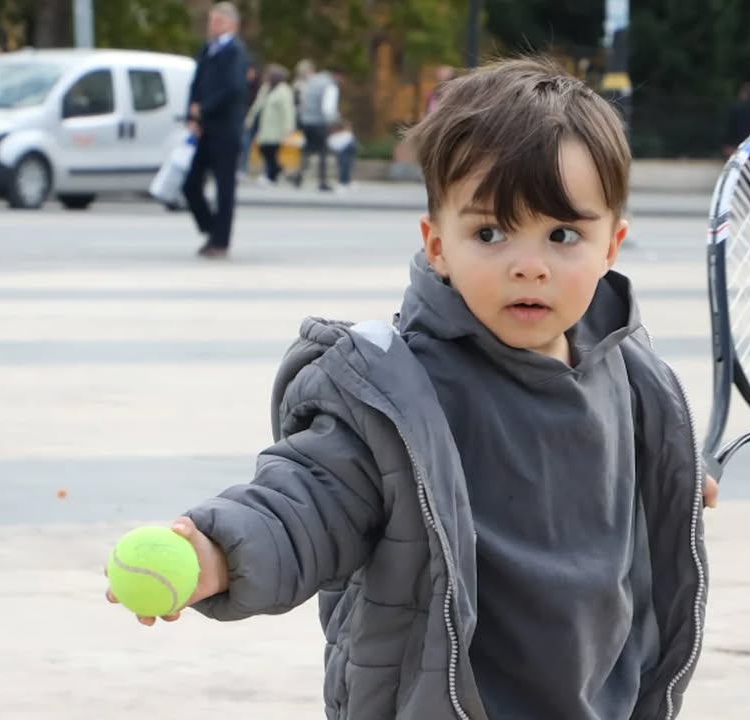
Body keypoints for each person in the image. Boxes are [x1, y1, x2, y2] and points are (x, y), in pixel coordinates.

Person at [105, 57, 717, 720]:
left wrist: (677, 472)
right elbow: (309, 497)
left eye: (563, 235)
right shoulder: (393, 394)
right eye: (490, 232)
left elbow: (636, 500)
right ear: (437, 245)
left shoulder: (633, 379)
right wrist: (218, 550)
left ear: (612, 245)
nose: (529, 266)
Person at [181, 2, 250, 259]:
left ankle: (220, 241)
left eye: (218, 21)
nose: (213, 26)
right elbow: (196, 84)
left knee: (224, 188)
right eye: (211, 21)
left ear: (232, 24)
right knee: (190, 184)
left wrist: (205, 110)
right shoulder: (208, 50)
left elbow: (233, 90)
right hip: (205, 129)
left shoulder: (235, 52)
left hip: (226, 130)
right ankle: (211, 227)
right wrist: (191, 114)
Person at [291, 59, 338, 191]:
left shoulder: (311, 83)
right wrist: (331, 121)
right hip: (319, 121)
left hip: (306, 121)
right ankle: (322, 181)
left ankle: (299, 176)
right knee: (322, 151)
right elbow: (328, 107)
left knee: (308, 149)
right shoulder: (328, 84)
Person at [246, 64, 294, 184]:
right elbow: (257, 105)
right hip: (265, 124)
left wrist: (289, 127)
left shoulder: (284, 90)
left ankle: (272, 175)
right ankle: (277, 170)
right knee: (264, 148)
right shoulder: (266, 88)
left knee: (271, 150)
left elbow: (288, 110)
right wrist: (249, 119)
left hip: (276, 125)